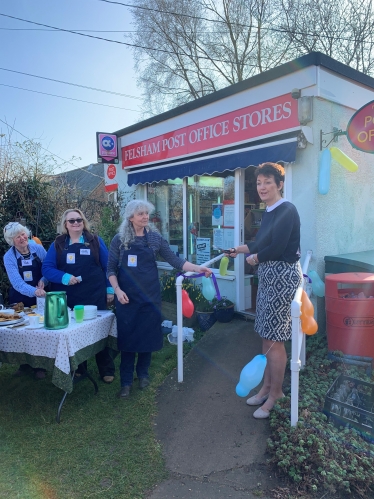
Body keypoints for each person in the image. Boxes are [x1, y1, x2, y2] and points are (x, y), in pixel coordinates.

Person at [107, 199, 212, 399]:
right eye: (141, 214)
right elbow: (110, 269)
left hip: (150, 297)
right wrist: (117, 291)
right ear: (130, 217)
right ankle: (126, 382)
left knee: (147, 337)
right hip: (127, 299)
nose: (145, 217)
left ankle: (143, 374)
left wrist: (198, 268)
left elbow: (175, 260)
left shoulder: (154, 238)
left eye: (146, 213)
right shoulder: (119, 239)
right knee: (128, 340)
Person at [228, 163, 302, 419]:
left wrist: (255, 258)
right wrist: (240, 249)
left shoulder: (287, 210)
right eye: (259, 182)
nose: (262, 187)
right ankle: (266, 387)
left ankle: (275, 394)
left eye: (267, 182)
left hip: (282, 278)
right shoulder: (269, 211)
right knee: (266, 335)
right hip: (269, 277)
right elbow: (260, 243)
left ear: (279, 185)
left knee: (276, 339)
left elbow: (277, 247)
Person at [42, 209, 116, 382]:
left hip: (95, 295)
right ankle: (79, 368)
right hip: (70, 297)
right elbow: (47, 268)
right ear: (65, 225)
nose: (76, 223)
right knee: (74, 334)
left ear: (83, 222)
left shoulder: (95, 241)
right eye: (72, 221)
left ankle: (106, 369)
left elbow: (108, 266)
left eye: (79, 220)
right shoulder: (58, 244)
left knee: (100, 332)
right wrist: (64, 277)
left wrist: (109, 289)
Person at [3, 222, 48, 379]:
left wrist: (44, 280)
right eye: (17, 237)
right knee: (22, 330)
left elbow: (48, 267)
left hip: (40, 294)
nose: (22, 238)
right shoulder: (9, 257)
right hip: (20, 297)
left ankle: (40, 365)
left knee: (39, 329)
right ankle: (25, 363)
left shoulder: (37, 248)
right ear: (11, 240)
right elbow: (17, 283)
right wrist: (34, 291)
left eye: (23, 234)